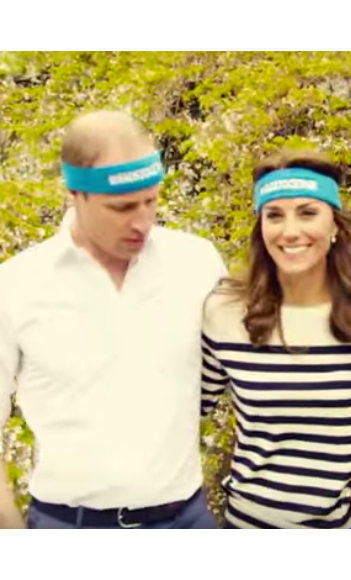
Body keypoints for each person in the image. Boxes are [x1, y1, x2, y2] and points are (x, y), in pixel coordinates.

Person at [0, 110, 227, 529]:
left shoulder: (197, 262)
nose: (142, 222)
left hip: (185, 517)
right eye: (121, 207)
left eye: (150, 201)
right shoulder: (16, 286)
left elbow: (260, 369)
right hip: (69, 521)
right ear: (74, 193)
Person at [200, 149, 351, 529]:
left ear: (334, 226)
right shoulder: (226, 314)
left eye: (308, 212)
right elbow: (181, 413)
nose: (290, 231)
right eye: (274, 215)